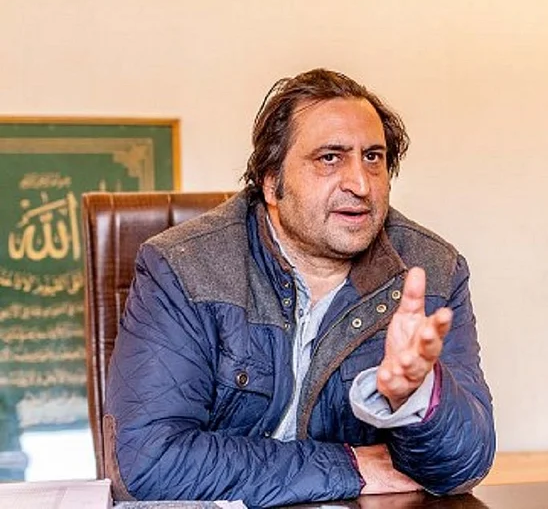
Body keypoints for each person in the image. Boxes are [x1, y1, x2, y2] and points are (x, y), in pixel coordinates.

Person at [104, 68, 496, 507]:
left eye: (373, 157)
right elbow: (149, 465)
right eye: (330, 158)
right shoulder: (183, 267)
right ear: (272, 183)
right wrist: (347, 466)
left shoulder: (433, 272)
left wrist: (417, 397)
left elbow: (465, 467)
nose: (360, 183)